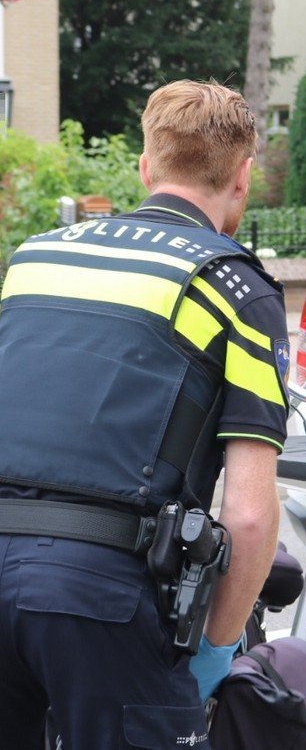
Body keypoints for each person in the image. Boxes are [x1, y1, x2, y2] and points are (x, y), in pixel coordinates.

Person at [0, 80, 288, 748]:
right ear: (243, 176)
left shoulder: (32, 259)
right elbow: (249, 513)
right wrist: (216, 649)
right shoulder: (234, 288)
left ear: (146, 165)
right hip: (99, 598)